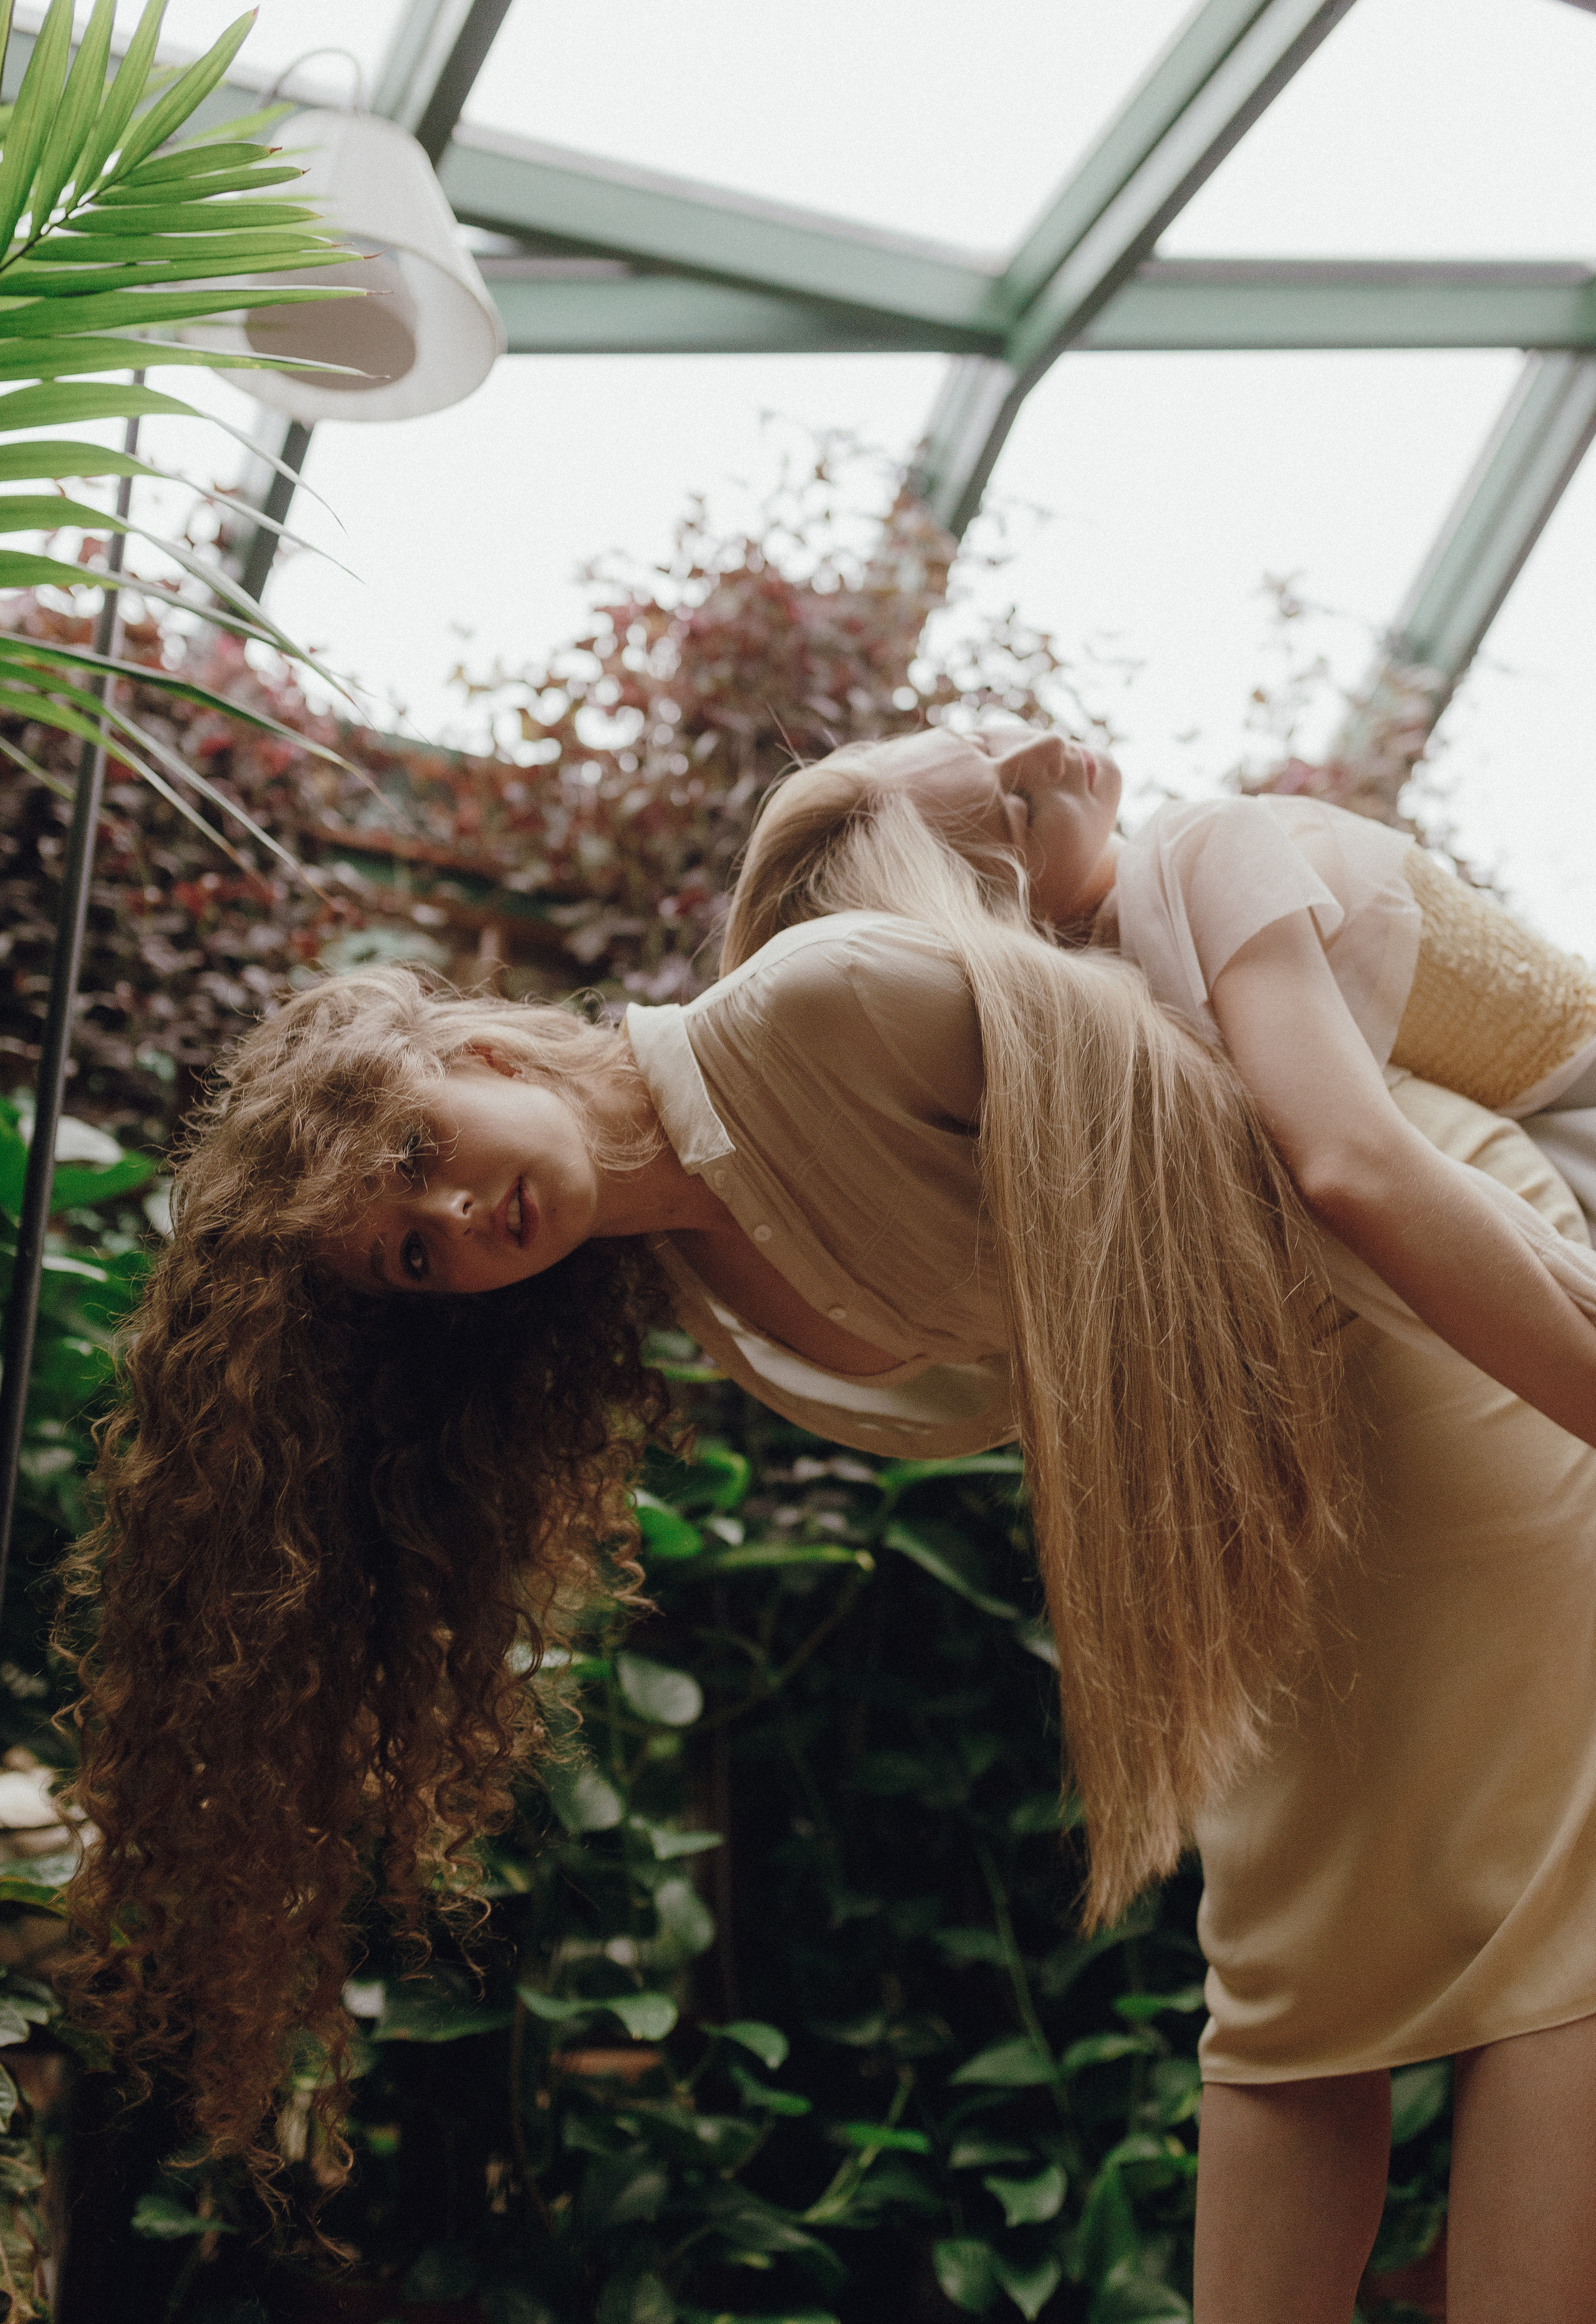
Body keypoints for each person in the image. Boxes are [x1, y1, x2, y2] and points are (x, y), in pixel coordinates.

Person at [60, 731, 1596, 2320]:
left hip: (1419, 1302)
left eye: (414, 1157)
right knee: (1285, 1978)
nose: (456, 1219)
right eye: (411, 1256)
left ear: (480, 1051)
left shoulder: (822, 1002)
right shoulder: (704, 1290)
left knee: (1540, 1916)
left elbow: (1242, 1113)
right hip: (1269, 1443)